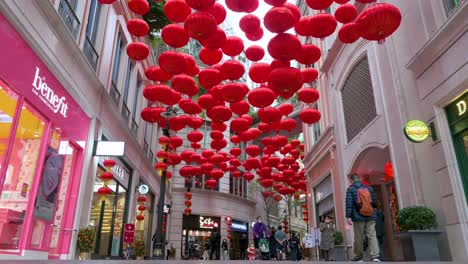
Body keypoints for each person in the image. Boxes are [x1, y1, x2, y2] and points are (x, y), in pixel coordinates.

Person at [346, 174, 380, 262]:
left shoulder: (351, 189)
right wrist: (373, 213)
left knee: (359, 237)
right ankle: (375, 256)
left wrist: (348, 216)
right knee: (372, 235)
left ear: (351, 181)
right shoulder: (369, 188)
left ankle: (359, 256)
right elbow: (375, 203)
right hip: (370, 215)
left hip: (358, 217)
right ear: (359, 179)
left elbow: (349, 203)